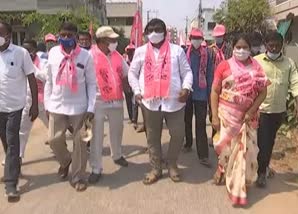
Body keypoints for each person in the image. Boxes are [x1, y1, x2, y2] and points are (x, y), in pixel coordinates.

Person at [128, 18, 193, 184]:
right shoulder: (141, 51)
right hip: (150, 102)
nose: (154, 34)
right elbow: (132, 73)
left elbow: (187, 72)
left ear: (165, 33)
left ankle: (172, 164)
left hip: (174, 102)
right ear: (146, 34)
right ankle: (156, 168)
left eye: (158, 30)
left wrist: (186, 88)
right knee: (152, 137)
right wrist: (136, 91)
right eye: (150, 31)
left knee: (178, 134)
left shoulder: (177, 51)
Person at [211, 34, 269, 206]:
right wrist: (214, 115)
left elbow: (263, 92)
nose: (241, 50)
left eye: (245, 47)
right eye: (238, 47)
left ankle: (239, 185)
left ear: (250, 49)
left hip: (248, 119)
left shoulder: (257, 68)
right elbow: (215, 91)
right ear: (233, 47)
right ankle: (221, 168)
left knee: (246, 152)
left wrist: (251, 111)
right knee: (226, 149)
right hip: (227, 116)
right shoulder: (224, 66)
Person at [44, 22, 96, 192]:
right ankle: (66, 161)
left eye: (69, 35)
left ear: (75, 37)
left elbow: (91, 84)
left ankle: (78, 176)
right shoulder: (52, 53)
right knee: (53, 139)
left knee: (81, 143)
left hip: (80, 107)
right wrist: (47, 103)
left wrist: (91, 107)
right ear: (59, 35)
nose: (65, 38)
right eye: (63, 35)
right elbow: (49, 82)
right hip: (57, 105)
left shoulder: (86, 57)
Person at [254, 31, 298, 188]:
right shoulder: (256, 61)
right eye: (271, 45)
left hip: (278, 110)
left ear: (282, 45)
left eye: (277, 45)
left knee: (269, 141)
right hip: (260, 110)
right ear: (266, 45)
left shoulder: (288, 63)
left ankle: (262, 167)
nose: (274, 48)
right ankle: (261, 173)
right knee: (263, 142)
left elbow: (295, 83)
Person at [0, 20, 39, 201]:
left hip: (15, 107)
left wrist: (35, 105)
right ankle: (14, 166)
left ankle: (11, 184)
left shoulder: (21, 53)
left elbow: (31, 78)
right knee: (7, 145)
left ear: (8, 35)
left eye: (1, 34)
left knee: (13, 142)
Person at [88, 26, 129, 184]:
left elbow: (126, 74)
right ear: (101, 41)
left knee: (117, 130)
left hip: (116, 99)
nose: (115, 42)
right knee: (97, 136)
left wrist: (128, 89)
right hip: (98, 101)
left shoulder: (117, 55)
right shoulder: (89, 56)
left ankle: (117, 155)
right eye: (111, 40)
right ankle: (96, 168)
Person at [183, 28, 213, 167]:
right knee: (186, 120)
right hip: (187, 92)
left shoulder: (207, 54)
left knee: (201, 124)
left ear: (202, 40)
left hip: (201, 93)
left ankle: (203, 155)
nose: (196, 40)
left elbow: (210, 75)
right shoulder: (184, 54)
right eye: (194, 37)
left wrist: (210, 96)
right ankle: (188, 143)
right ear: (190, 39)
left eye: (198, 38)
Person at [19, 40, 49, 160]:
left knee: (54, 131)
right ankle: (17, 157)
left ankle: (64, 151)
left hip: (43, 102)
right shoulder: (19, 62)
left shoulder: (43, 61)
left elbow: (45, 77)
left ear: (35, 50)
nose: (26, 53)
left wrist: (32, 68)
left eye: (29, 50)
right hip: (28, 102)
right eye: (24, 50)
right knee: (22, 130)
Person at [208, 24, 233, 145]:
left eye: (220, 36)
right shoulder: (210, 49)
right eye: (216, 36)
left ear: (224, 36)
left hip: (226, 83)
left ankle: (223, 135)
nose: (218, 38)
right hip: (213, 83)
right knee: (213, 111)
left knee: (225, 110)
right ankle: (215, 135)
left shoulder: (229, 49)